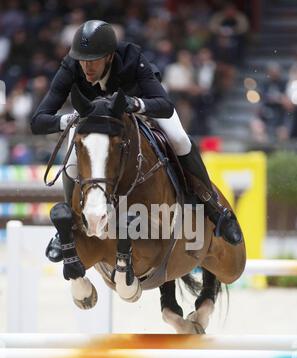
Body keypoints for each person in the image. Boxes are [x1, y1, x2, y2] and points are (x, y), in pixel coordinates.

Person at [31, 20, 242, 263]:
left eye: (94, 60)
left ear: (109, 56)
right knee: (71, 160)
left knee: (181, 140)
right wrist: (73, 119)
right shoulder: (72, 65)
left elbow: (164, 105)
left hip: (139, 112)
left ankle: (215, 210)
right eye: (82, 60)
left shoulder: (133, 58)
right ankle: (69, 226)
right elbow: (38, 121)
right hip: (95, 126)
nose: (86, 67)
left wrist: (136, 104)